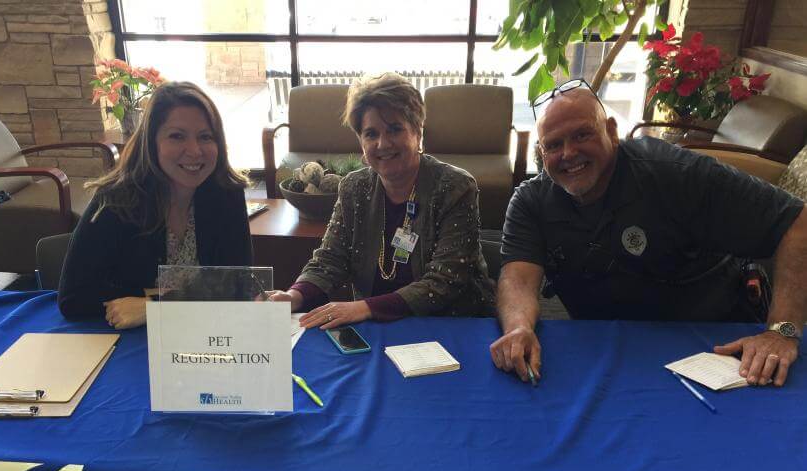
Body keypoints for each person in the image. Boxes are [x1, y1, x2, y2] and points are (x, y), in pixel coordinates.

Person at [490, 81, 806, 386]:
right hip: (608, 349)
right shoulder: (530, 201)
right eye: (554, 145)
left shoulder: (675, 173)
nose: (569, 153)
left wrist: (781, 332)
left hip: (715, 342)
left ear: (612, 132)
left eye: (582, 134)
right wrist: (518, 328)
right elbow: (518, 278)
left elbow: (797, 221)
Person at [264, 73, 494, 326]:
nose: (383, 144)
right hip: (377, 326)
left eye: (395, 129)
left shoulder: (455, 187)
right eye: (371, 134)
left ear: (418, 132)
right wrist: (294, 296)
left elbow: (445, 281)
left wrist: (364, 307)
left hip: (451, 324)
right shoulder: (354, 187)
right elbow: (330, 258)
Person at [58, 81, 252, 328]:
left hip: (208, 334)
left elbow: (237, 287)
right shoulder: (116, 199)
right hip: (132, 341)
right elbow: (73, 299)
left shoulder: (227, 194)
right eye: (177, 136)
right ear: (152, 142)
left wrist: (157, 306)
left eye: (205, 137)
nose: (194, 150)